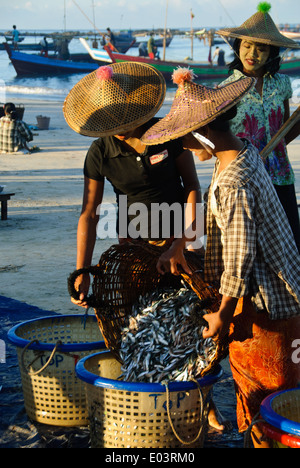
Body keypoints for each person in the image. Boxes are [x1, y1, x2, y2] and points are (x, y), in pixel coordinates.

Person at [141, 67, 300, 448]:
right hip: (283, 294)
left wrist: (224, 314)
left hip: (267, 306)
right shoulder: (241, 150)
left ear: (204, 133)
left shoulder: (234, 182)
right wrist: (180, 244)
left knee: (268, 402)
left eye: (187, 141)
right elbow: (225, 227)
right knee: (276, 396)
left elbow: (241, 257)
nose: (186, 150)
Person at [63, 62, 202, 300]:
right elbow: (89, 214)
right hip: (134, 241)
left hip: (182, 235)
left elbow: (192, 186)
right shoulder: (100, 153)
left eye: (124, 120)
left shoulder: (166, 132)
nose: (119, 129)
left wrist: (184, 241)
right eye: (110, 123)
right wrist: (81, 271)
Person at [216, 3, 300, 252]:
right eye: (247, 46)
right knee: (251, 247)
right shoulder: (226, 89)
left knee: (291, 243)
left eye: (261, 48)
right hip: (246, 178)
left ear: (272, 53)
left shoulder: (282, 84)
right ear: (237, 47)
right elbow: (220, 139)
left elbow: (283, 130)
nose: (252, 53)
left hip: (281, 174)